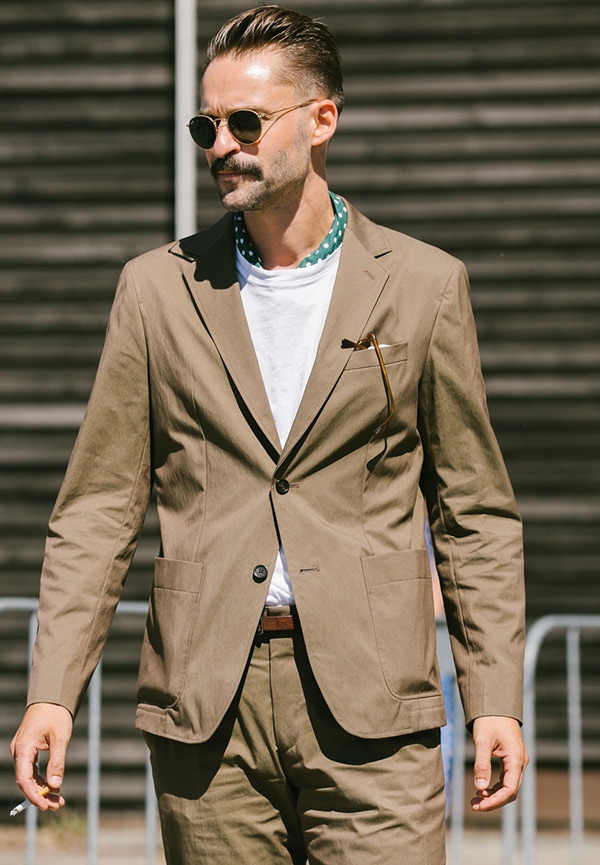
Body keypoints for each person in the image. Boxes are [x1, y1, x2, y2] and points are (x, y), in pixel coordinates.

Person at [11, 6, 528, 863]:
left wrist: (496, 695)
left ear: (322, 118)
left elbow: (474, 508)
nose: (222, 144)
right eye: (205, 125)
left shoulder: (425, 285)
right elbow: (99, 506)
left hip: (375, 704)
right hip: (207, 702)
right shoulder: (155, 290)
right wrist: (53, 692)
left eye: (246, 122)